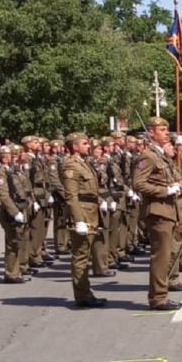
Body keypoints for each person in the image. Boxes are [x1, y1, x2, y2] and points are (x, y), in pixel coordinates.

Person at [133, 117, 182, 312]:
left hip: (168, 210)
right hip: (157, 211)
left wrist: (175, 186)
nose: (166, 133)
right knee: (160, 257)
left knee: (167, 254)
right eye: (161, 130)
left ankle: (161, 294)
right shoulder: (148, 156)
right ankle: (158, 298)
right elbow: (138, 183)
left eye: (166, 129)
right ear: (151, 133)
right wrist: (165, 191)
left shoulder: (161, 156)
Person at [61, 132, 107, 307]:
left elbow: (90, 189)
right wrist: (78, 220)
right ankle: (82, 296)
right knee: (80, 256)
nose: (89, 146)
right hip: (83, 215)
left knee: (85, 255)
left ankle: (86, 292)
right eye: (85, 143)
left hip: (91, 212)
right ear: (74, 146)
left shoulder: (84, 163)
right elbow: (71, 196)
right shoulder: (71, 166)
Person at [0, 145, 31, 284]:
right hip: (9, 213)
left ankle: (16, 271)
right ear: (4, 157)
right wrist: (14, 212)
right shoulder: (1, 173)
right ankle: (11, 273)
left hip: (18, 208)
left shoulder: (11, 171)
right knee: (12, 243)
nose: (13, 157)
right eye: (10, 155)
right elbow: (3, 195)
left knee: (17, 242)